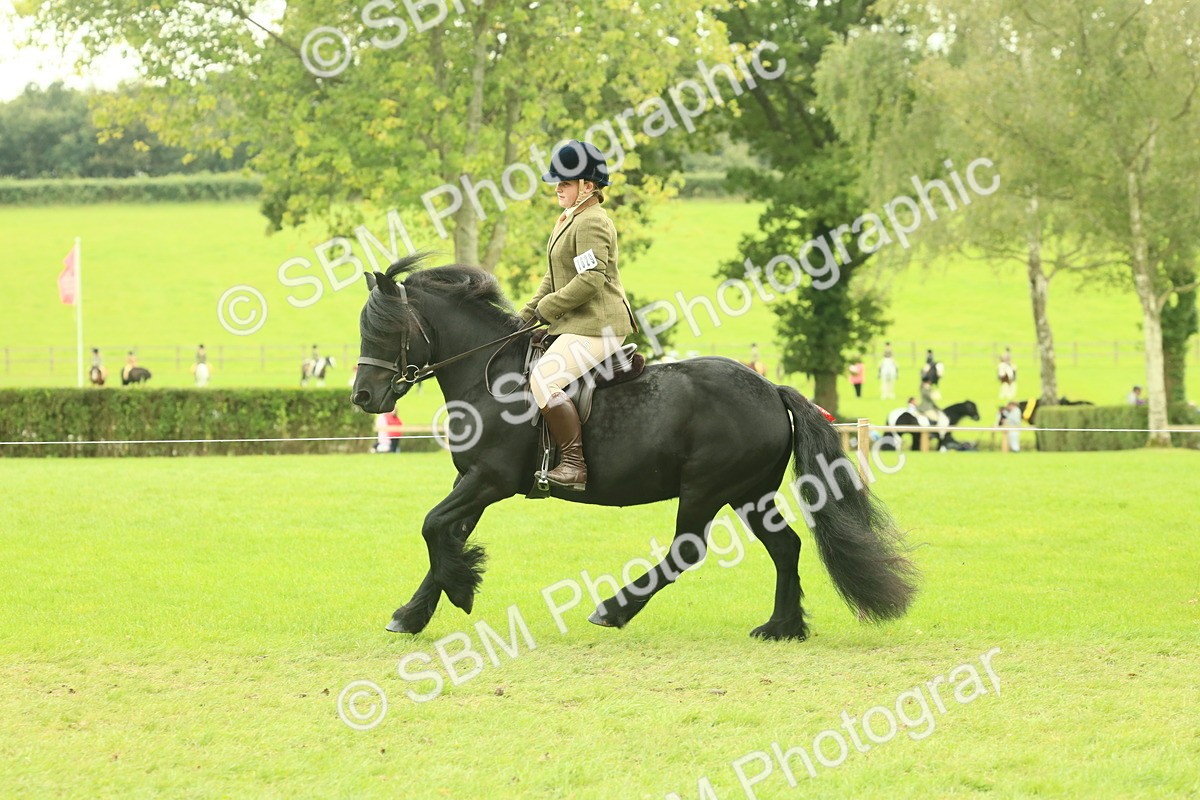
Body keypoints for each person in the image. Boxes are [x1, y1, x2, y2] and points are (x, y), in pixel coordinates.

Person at [517, 139, 638, 491]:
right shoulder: (570, 219)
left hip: (599, 326)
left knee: (544, 378)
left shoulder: (592, 221)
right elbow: (553, 277)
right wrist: (524, 315)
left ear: (588, 186)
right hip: (578, 323)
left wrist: (547, 309)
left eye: (565, 182)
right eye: (558, 182)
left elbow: (590, 280)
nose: (558, 188)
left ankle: (573, 465)